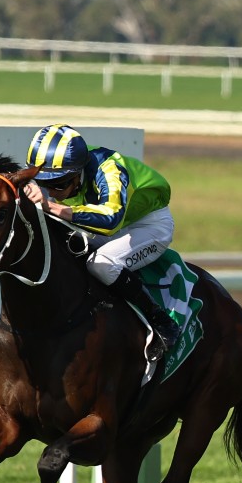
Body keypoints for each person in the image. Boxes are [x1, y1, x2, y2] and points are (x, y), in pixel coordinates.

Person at [22, 123, 182, 356]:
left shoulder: (109, 169)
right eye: (44, 184)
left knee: (102, 264)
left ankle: (161, 322)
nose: (51, 191)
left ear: (77, 173)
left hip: (149, 225)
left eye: (57, 184)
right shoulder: (65, 173)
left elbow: (110, 220)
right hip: (111, 224)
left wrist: (51, 207)